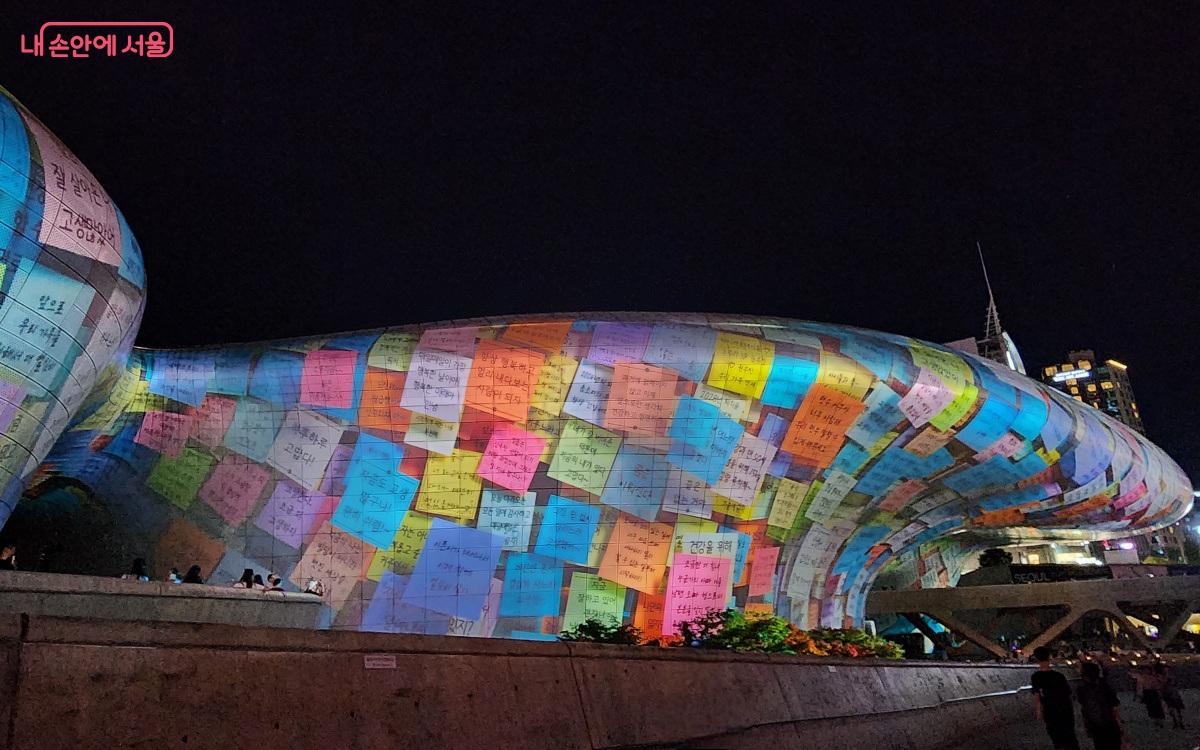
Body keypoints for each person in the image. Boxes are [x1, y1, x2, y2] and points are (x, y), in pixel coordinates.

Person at [1031, 646, 1080, 749]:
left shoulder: (1036, 677)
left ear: (1036, 659)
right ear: (1049, 657)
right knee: (1070, 736)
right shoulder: (1059, 676)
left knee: (1056, 737)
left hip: (1050, 710)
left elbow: (1037, 695)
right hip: (1064, 708)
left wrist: (1038, 710)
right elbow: (1068, 694)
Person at [1075, 661, 1122, 750]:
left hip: (1097, 724)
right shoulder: (1104, 686)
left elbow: (1085, 708)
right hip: (1109, 722)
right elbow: (1114, 707)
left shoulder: (1083, 689)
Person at [1156, 662, 1186, 729]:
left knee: (1178, 709)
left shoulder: (1170, 676)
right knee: (1171, 709)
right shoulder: (1160, 676)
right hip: (1167, 693)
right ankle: (1175, 721)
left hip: (1173, 693)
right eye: (1165, 669)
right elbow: (1161, 685)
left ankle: (1180, 722)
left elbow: (1174, 683)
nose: (1166, 670)